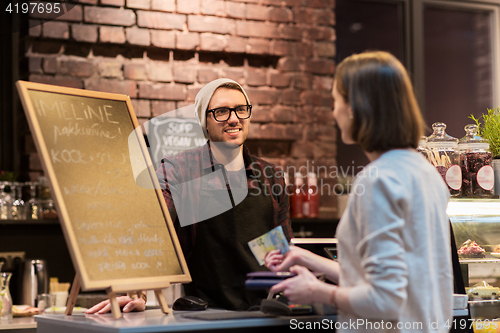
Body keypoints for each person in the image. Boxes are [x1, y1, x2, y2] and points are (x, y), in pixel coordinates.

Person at [265, 51, 453, 332]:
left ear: (355, 107)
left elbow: (386, 301)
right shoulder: (423, 172)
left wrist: (317, 291)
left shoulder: (379, 180)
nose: (334, 112)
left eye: (335, 101)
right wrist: (308, 258)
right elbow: (392, 282)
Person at [86, 78, 292, 314]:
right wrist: (137, 290)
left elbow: (281, 250)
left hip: (265, 313)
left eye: (241, 110)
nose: (234, 119)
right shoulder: (178, 170)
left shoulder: (271, 176)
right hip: (204, 316)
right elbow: (152, 226)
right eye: (221, 112)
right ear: (204, 120)